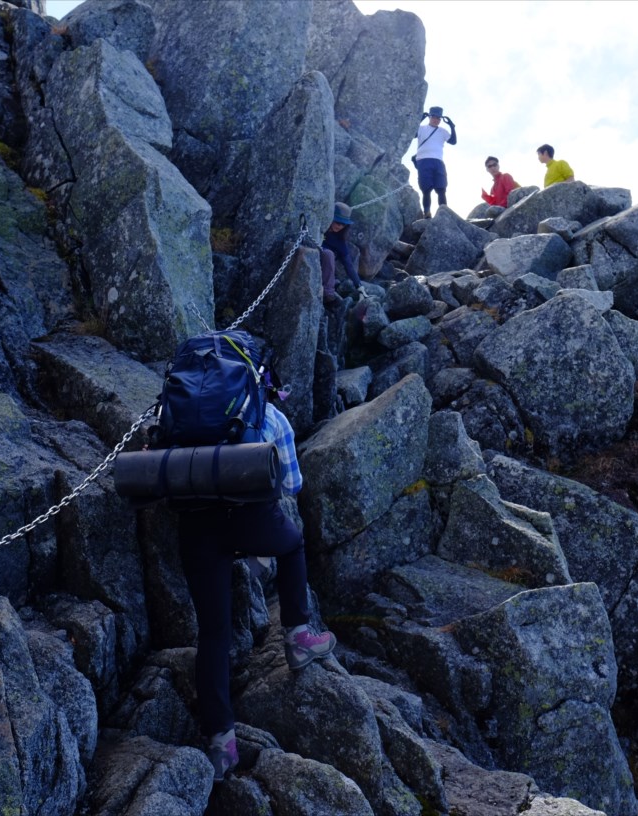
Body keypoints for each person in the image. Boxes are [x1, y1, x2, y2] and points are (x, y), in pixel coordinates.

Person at [173, 389, 337, 781]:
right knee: (293, 544)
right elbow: (292, 484)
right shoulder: (270, 415)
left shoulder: (178, 408)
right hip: (251, 520)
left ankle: (221, 744)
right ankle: (298, 637)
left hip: (196, 527)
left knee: (213, 633)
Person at [413, 105, 457, 219]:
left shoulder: (443, 131)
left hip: (438, 161)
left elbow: (453, 141)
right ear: (430, 117)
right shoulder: (421, 128)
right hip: (423, 160)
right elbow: (412, 134)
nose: (436, 119)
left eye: (438, 118)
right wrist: (419, 120)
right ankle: (427, 213)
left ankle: (444, 213)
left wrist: (452, 126)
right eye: (434, 117)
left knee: (441, 189)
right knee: (426, 189)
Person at [320, 202, 361, 305]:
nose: (340, 226)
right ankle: (329, 292)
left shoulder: (339, 241)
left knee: (329, 254)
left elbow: (348, 265)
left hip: (323, 265)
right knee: (329, 254)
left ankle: (329, 295)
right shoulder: (319, 226)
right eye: (338, 222)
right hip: (313, 252)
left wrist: (359, 286)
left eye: (343, 224)